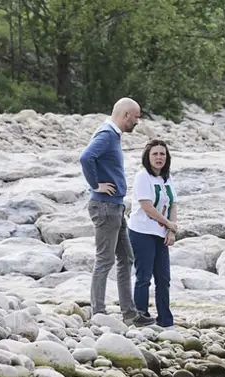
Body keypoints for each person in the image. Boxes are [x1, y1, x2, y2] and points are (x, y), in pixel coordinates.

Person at [79, 97, 152, 326]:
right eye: (136, 116)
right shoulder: (107, 134)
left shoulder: (110, 133)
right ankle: (98, 313)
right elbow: (86, 157)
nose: (138, 121)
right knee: (104, 260)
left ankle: (129, 314)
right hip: (105, 206)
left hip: (115, 208)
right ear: (125, 115)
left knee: (127, 257)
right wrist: (96, 185)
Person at [127, 139, 177, 327]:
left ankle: (165, 319)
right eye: (155, 154)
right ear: (148, 157)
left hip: (161, 233)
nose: (159, 157)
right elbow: (147, 207)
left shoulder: (167, 178)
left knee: (163, 278)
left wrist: (171, 230)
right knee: (144, 277)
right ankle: (140, 316)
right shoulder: (142, 177)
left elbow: (173, 204)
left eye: (162, 154)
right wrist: (169, 224)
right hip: (142, 232)